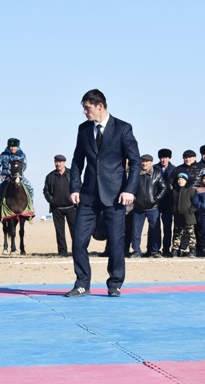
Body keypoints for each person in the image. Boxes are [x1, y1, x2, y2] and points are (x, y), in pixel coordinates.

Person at [65, 89, 141, 298]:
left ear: (100, 106)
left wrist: (129, 190)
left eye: (87, 108)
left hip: (115, 195)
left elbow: (135, 162)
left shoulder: (123, 129)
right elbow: (77, 161)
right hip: (88, 196)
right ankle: (82, 283)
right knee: (79, 240)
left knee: (116, 242)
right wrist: (74, 188)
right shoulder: (83, 130)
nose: (84, 112)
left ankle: (114, 284)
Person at [130, 154, 167, 258]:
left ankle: (154, 251)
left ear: (151, 162)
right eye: (143, 161)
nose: (144, 163)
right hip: (138, 208)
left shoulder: (157, 174)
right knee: (136, 230)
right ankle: (136, 251)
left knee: (155, 230)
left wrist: (155, 200)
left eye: (147, 161)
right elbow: (130, 187)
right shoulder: (136, 174)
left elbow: (163, 188)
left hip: (153, 208)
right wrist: (135, 199)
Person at [0, 138, 34, 221]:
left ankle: (30, 208)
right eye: (11, 146)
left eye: (14, 146)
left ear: (17, 146)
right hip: (6, 177)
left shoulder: (22, 155)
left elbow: (24, 165)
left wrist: (19, 172)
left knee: (30, 187)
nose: (12, 148)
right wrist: (0, 174)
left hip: (18, 176)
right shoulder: (3, 155)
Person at [42, 154, 75, 257]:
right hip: (57, 208)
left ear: (64, 162)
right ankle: (62, 252)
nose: (58, 164)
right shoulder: (50, 176)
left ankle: (78, 251)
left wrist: (77, 199)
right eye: (56, 162)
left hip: (72, 207)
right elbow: (46, 190)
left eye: (60, 162)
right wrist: (51, 200)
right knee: (59, 232)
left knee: (75, 231)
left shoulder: (72, 174)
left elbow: (79, 186)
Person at [153, 148, 176, 257]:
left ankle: (166, 249)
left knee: (167, 228)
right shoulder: (154, 169)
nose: (164, 160)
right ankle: (154, 249)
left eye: (166, 158)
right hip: (156, 202)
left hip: (168, 203)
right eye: (162, 158)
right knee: (154, 227)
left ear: (169, 158)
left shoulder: (174, 169)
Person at [172, 173, 196, 257]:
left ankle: (192, 249)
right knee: (177, 234)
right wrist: (174, 211)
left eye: (182, 180)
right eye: (179, 180)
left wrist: (190, 211)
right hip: (178, 216)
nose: (180, 181)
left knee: (190, 234)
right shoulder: (175, 191)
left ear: (186, 181)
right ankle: (175, 249)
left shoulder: (191, 190)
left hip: (188, 216)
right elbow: (172, 203)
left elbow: (195, 202)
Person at [193, 171, 205, 259]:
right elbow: (195, 201)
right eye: (204, 178)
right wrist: (202, 206)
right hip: (204, 215)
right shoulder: (199, 190)